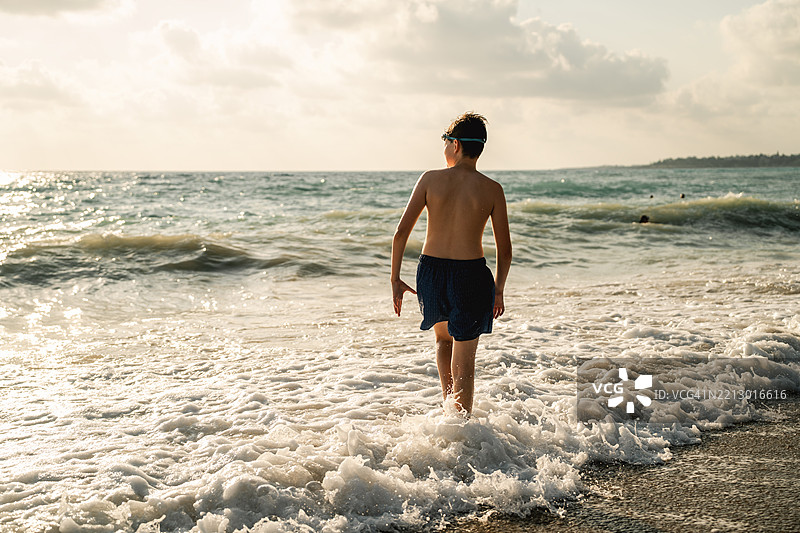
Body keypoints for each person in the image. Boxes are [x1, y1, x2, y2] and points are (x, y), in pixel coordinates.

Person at [390, 112, 512, 415]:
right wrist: (498, 290)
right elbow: (505, 249)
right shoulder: (492, 188)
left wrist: (395, 279)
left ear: (455, 145)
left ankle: (449, 412)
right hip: (470, 275)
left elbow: (401, 233)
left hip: (431, 272)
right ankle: (463, 425)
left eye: (445, 142)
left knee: (443, 340)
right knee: (465, 357)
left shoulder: (430, 179)